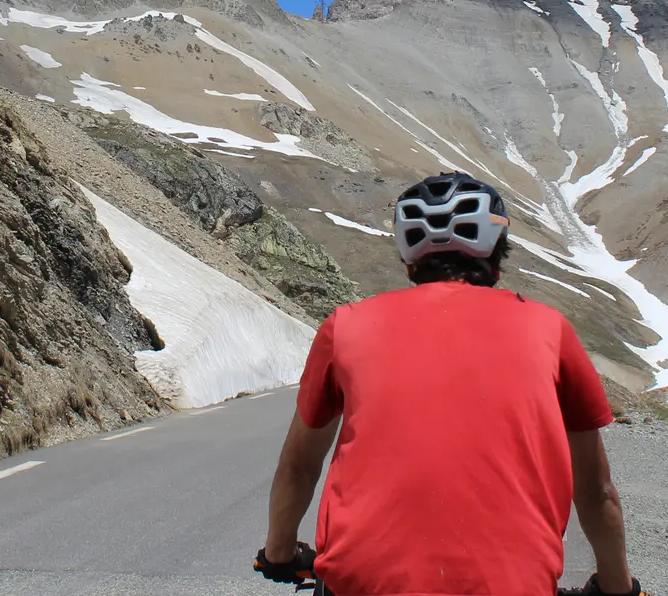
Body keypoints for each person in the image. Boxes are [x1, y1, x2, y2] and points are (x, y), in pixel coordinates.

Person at [253, 171, 646, 596]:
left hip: (362, 582)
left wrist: (279, 553)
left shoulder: (346, 326)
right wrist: (618, 587)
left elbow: (299, 464)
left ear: (409, 255)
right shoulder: (550, 330)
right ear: (497, 248)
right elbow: (596, 489)